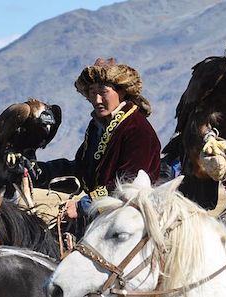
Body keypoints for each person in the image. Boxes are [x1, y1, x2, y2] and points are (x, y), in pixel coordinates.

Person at [37, 58, 161, 218]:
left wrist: (84, 205)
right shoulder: (97, 126)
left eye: (103, 92)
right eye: (92, 93)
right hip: (100, 216)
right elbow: (80, 170)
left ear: (121, 92)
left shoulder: (137, 129)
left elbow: (128, 184)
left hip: (130, 220)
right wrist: (39, 172)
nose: (97, 100)